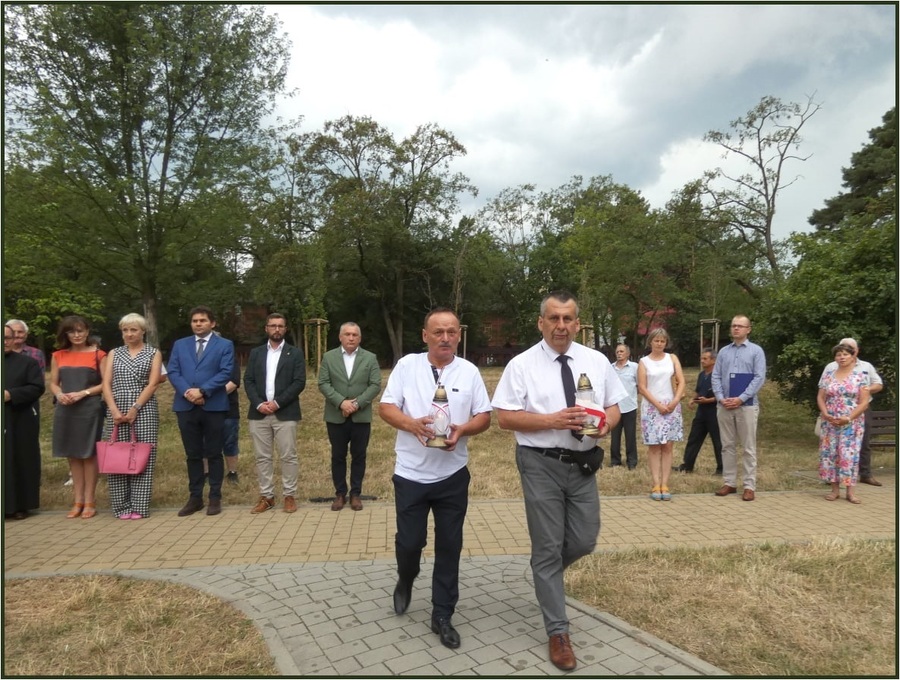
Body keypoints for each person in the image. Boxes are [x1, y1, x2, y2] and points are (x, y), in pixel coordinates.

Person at [492, 291, 625, 671]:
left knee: (584, 540)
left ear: (577, 323)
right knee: (549, 547)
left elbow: (615, 406)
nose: (561, 326)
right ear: (541, 323)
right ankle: (558, 631)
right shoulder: (522, 365)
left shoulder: (596, 361)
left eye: (568, 319)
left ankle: (543, 571)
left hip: (583, 464)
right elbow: (505, 417)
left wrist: (606, 425)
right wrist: (553, 420)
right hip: (540, 462)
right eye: (553, 318)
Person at [380, 308, 492, 650]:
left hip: (453, 475)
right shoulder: (406, 366)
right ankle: (406, 577)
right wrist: (411, 424)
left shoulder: (469, 371)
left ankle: (442, 614)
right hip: (411, 475)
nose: (446, 338)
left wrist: (464, 429)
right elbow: (386, 407)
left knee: (449, 547)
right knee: (410, 542)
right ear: (425, 335)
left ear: (459, 335)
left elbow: (484, 416)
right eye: (439, 332)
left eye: (452, 332)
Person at [167, 306, 235, 517]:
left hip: (213, 405)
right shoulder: (180, 345)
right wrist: (187, 391)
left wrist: (203, 391)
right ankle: (195, 497)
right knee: (193, 454)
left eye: (203, 320)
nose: (198, 324)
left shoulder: (225, 345)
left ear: (212, 323)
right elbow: (173, 371)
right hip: (185, 405)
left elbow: (225, 372)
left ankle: (215, 497)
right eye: (195, 320)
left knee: (214, 453)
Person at [100, 313, 163, 519]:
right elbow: (106, 384)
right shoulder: (114, 353)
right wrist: (114, 409)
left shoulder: (154, 353)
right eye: (125, 330)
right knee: (116, 456)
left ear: (143, 331)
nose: (129, 334)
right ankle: (121, 507)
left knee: (142, 456)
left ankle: (139, 506)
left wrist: (135, 408)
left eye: (133, 329)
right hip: (116, 408)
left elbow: (153, 383)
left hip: (143, 409)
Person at [244, 313, 306, 514]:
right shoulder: (256, 353)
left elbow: (299, 382)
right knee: (263, 457)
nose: (277, 329)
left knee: (288, 456)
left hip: (285, 413)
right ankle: (267, 497)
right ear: (266, 328)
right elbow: (249, 381)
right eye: (273, 326)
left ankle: (289, 495)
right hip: (259, 412)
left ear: (285, 329)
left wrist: (277, 403)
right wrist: (259, 403)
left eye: (280, 326)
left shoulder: (294, 353)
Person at [318, 322, 382, 511]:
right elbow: (323, 383)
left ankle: (355, 493)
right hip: (335, 416)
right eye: (347, 334)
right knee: (338, 456)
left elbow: (375, 385)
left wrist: (355, 404)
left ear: (359, 338)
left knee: (359, 456)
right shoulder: (329, 357)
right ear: (340, 337)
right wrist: (341, 402)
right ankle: (340, 494)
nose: (351, 338)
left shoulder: (370, 358)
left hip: (360, 417)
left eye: (355, 335)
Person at [49, 315, 108, 519]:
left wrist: (83, 393)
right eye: (72, 331)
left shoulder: (99, 354)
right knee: (72, 454)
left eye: (80, 330)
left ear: (87, 331)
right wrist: (59, 394)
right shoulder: (58, 355)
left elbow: (106, 384)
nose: (76, 335)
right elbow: (54, 383)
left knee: (89, 454)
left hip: (89, 408)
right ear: (65, 334)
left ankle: (90, 501)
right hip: (65, 409)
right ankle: (78, 500)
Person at [711, 315, 766, 502]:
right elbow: (716, 376)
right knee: (727, 446)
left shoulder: (756, 351)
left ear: (748, 329)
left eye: (740, 326)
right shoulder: (723, 352)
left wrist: (741, 398)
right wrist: (720, 398)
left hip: (747, 406)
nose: (736, 329)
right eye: (733, 325)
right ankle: (730, 482)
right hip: (724, 404)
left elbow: (759, 378)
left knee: (748, 447)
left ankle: (749, 486)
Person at [821, 337, 883, 486]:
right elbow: (822, 390)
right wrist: (825, 411)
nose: (843, 355)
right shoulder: (831, 367)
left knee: (862, 443)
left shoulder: (865, 367)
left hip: (860, 409)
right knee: (832, 447)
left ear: (855, 351)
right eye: (840, 351)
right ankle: (833, 480)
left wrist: (867, 389)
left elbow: (878, 384)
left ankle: (865, 474)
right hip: (834, 412)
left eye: (848, 350)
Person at [817, 342, 871, 504]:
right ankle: (834, 490)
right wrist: (825, 413)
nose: (841, 357)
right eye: (838, 354)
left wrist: (848, 417)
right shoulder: (829, 375)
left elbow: (864, 402)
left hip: (851, 423)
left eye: (845, 354)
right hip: (830, 421)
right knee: (831, 454)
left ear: (853, 355)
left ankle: (850, 492)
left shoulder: (860, 377)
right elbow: (821, 396)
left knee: (849, 455)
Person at [637, 328, 685, 501]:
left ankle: (665, 483)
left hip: (671, 406)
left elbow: (681, 381)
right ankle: (655, 483)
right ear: (650, 342)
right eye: (656, 341)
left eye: (662, 341)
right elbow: (642, 387)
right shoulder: (644, 362)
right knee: (654, 446)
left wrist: (675, 400)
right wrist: (657, 404)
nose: (659, 344)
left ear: (666, 343)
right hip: (652, 407)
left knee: (668, 446)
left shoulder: (672, 359)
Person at [4, 325, 45, 520]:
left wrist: (11, 394)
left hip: (18, 419)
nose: (4, 342)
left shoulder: (27, 363)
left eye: (7, 338)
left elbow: (37, 387)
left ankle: (19, 505)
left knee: (18, 460)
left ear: (14, 340)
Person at [674, 348, 722, 475]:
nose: (702, 361)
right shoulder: (702, 375)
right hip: (701, 413)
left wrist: (709, 400)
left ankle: (721, 468)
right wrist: (692, 399)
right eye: (701, 358)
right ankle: (687, 465)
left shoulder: (719, 375)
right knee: (694, 438)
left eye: (705, 358)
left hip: (715, 412)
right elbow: (698, 390)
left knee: (718, 441)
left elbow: (723, 395)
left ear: (713, 360)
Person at [609, 344, 638, 469]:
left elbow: (640, 385)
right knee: (615, 436)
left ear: (627, 354)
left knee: (630, 435)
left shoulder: (634, 367)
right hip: (615, 408)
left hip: (629, 406)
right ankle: (615, 461)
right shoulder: (611, 368)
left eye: (621, 351)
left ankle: (632, 461)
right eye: (617, 351)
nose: (619, 353)